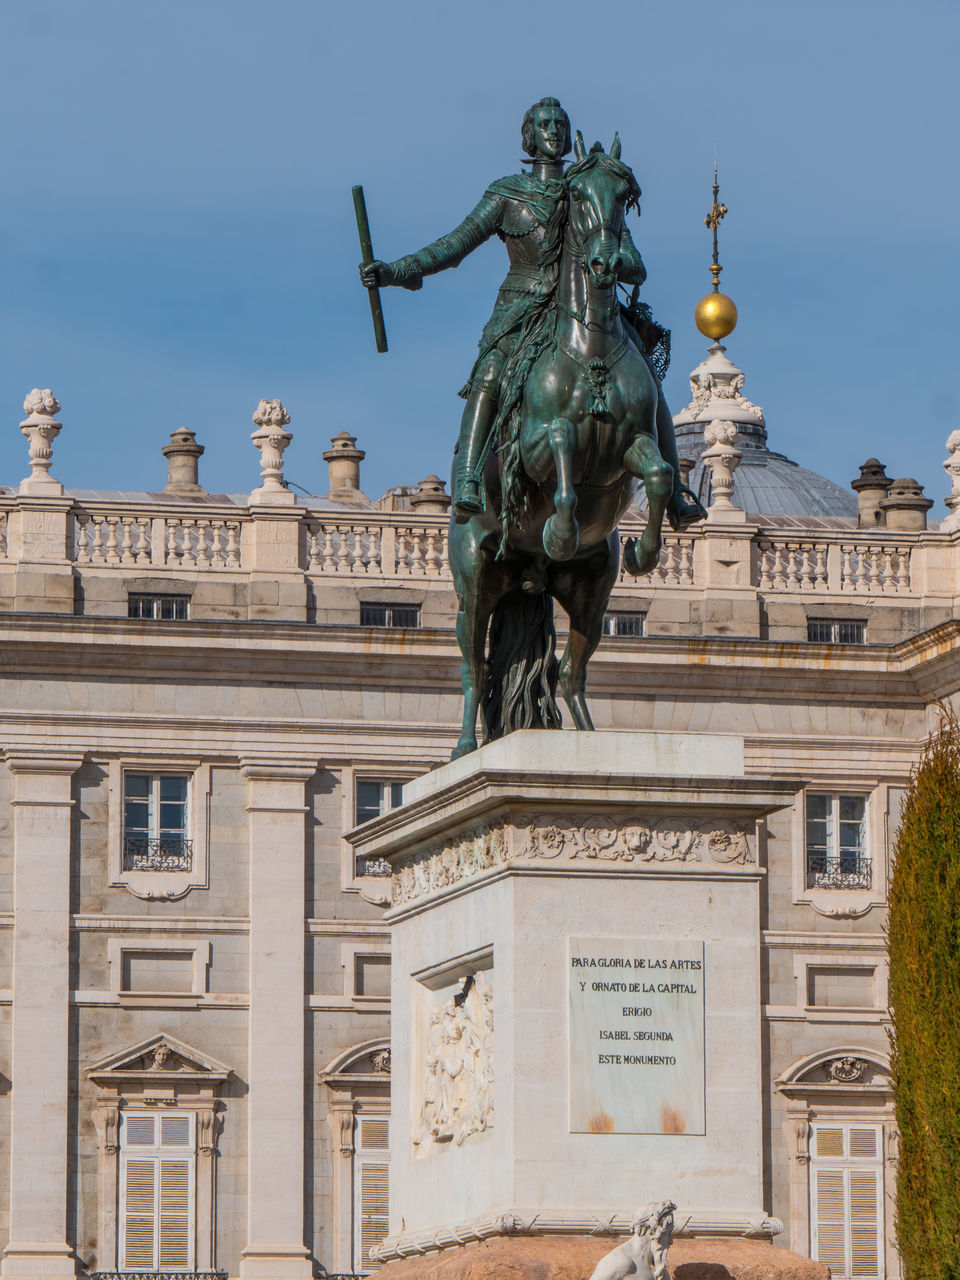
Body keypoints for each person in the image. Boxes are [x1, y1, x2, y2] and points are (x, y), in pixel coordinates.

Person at [359, 97, 703, 529]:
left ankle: (674, 494)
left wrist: (619, 261)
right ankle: (468, 476)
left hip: (588, 310)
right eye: (544, 124)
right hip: (521, 308)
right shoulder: (507, 193)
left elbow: (635, 261)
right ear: (529, 135)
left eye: (560, 123)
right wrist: (397, 270)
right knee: (490, 373)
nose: (554, 131)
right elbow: (454, 245)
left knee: (646, 382)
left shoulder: (587, 188)